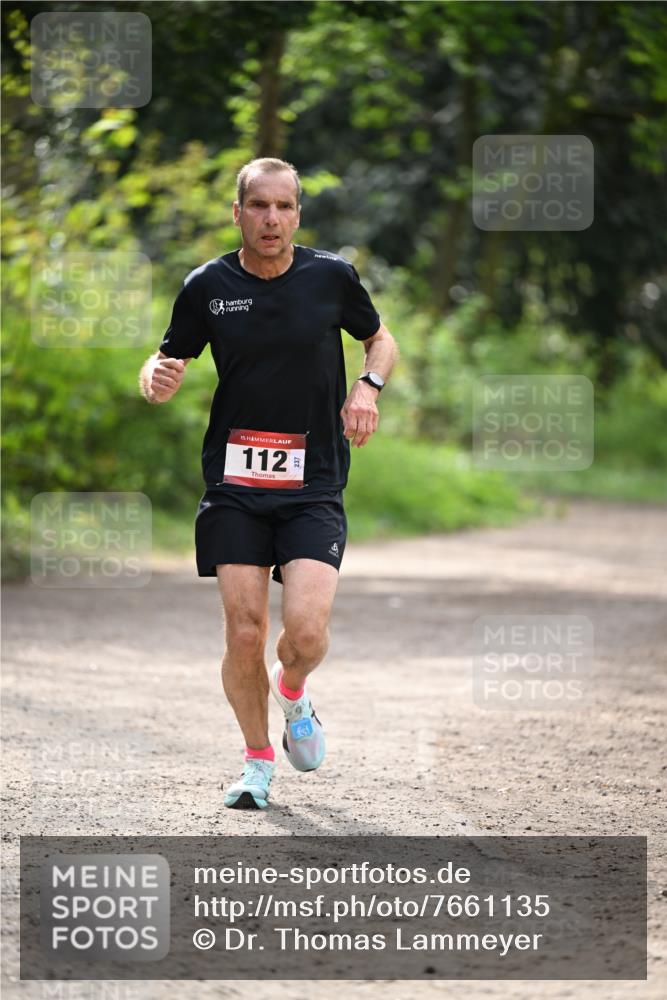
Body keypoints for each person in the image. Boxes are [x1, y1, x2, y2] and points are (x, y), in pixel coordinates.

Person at [139, 157, 398, 809]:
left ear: (298, 215)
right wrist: (154, 378)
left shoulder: (330, 277)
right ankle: (257, 761)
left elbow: (380, 340)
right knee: (245, 632)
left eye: (284, 207)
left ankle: (292, 690)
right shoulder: (208, 286)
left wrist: (367, 387)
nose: (271, 219)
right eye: (259, 206)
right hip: (235, 484)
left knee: (305, 635)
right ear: (238, 213)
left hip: (313, 482)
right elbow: (166, 358)